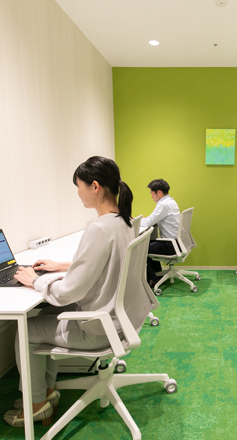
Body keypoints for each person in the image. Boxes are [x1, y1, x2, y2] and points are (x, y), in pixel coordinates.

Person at [5, 156, 136, 428]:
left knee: (26, 330)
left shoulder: (98, 228)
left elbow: (67, 293)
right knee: (46, 314)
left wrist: (35, 280)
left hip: (96, 329)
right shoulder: (123, 222)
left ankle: (37, 404)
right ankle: (47, 392)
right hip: (118, 320)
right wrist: (65, 265)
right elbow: (107, 261)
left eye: (79, 186)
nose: (78, 193)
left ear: (95, 186)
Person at [140, 179, 180, 286]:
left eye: (152, 194)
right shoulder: (171, 202)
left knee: (142, 248)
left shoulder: (163, 205)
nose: (151, 197)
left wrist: (136, 220)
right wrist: (146, 219)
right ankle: (158, 275)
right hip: (177, 242)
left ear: (159, 192)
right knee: (149, 244)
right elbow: (154, 219)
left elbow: (148, 223)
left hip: (171, 245)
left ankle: (153, 279)